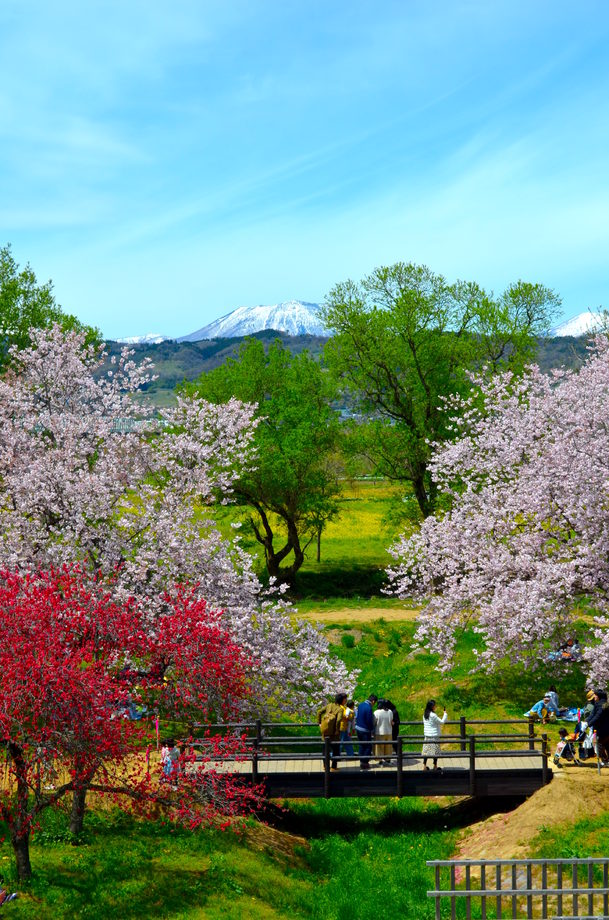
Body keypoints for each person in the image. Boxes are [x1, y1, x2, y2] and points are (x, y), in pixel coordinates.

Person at [317, 692, 346, 771]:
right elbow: (339, 720)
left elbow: (319, 712)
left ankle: (325, 766)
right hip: (334, 733)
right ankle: (333, 767)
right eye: (345, 699)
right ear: (341, 700)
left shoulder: (329, 705)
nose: (346, 701)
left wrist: (319, 723)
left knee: (325, 749)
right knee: (335, 749)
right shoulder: (340, 709)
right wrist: (337, 730)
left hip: (325, 732)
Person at [422, 699, 447, 772]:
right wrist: (445, 714)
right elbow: (442, 722)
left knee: (426, 752)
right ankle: (435, 766)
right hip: (434, 736)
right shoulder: (433, 715)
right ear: (431, 707)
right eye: (434, 705)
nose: (435, 706)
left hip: (427, 736)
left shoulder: (425, 714)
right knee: (435, 752)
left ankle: (424, 766)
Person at [355, 693, 378, 770]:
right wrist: (372, 730)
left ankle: (361, 761)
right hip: (365, 730)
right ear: (373, 701)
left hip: (358, 728)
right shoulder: (369, 708)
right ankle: (365, 763)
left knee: (361, 745)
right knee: (368, 746)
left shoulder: (361, 705)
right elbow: (369, 721)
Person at [374, 699, 394, 765]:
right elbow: (391, 722)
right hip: (389, 732)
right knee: (388, 747)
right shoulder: (390, 711)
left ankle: (380, 762)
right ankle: (388, 760)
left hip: (379, 732)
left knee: (379, 747)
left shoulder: (376, 712)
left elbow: (374, 722)